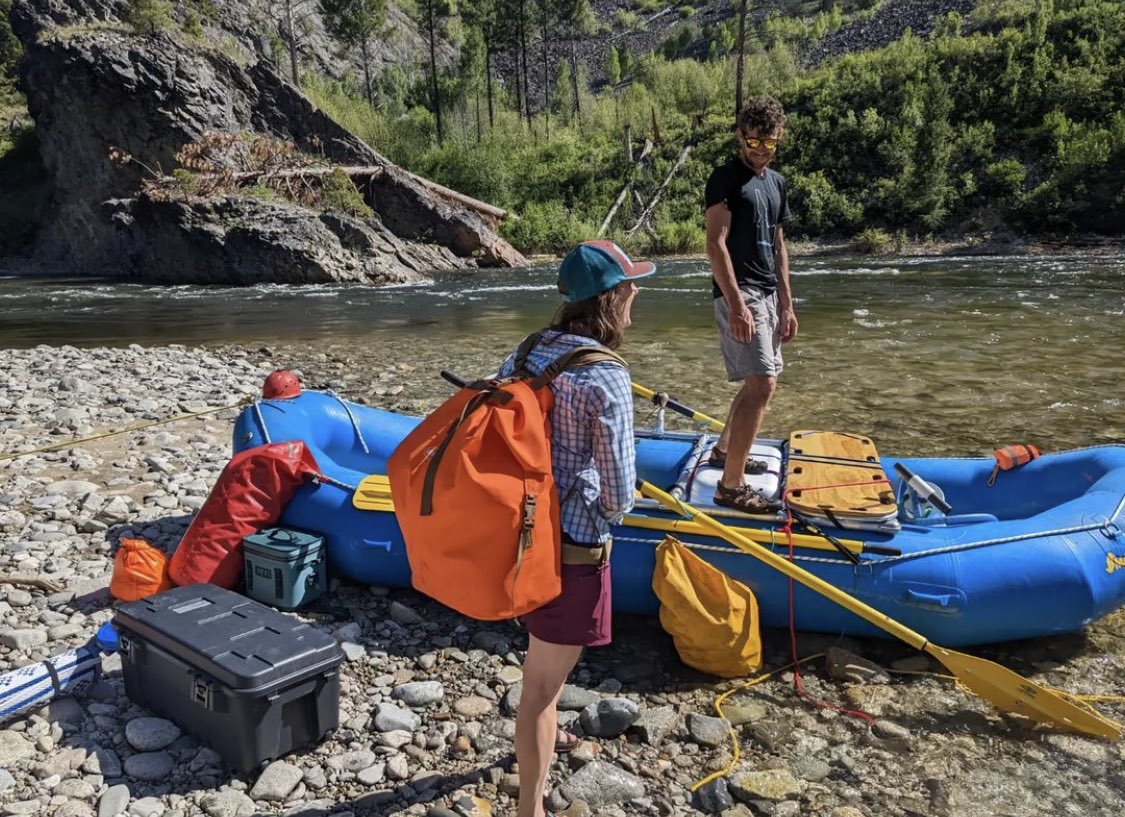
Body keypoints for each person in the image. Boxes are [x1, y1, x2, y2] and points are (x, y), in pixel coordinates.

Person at [495, 240, 655, 817]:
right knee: (537, 691)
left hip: (519, 536)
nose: (637, 293)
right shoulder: (607, 376)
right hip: (573, 549)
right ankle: (530, 810)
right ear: (611, 298)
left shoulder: (530, 348)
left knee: (546, 666)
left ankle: (541, 737)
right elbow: (616, 494)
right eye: (631, 285)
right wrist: (619, 503)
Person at [704, 95, 798, 514]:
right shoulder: (724, 179)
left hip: (769, 294)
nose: (760, 150)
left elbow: (778, 246)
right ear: (740, 136)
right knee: (763, 384)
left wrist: (788, 304)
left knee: (757, 382)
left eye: (769, 144)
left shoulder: (776, 183)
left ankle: (726, 452)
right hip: (740, 292)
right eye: (754, 141)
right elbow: (715, 244)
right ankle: (730, 486)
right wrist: (737, 304)